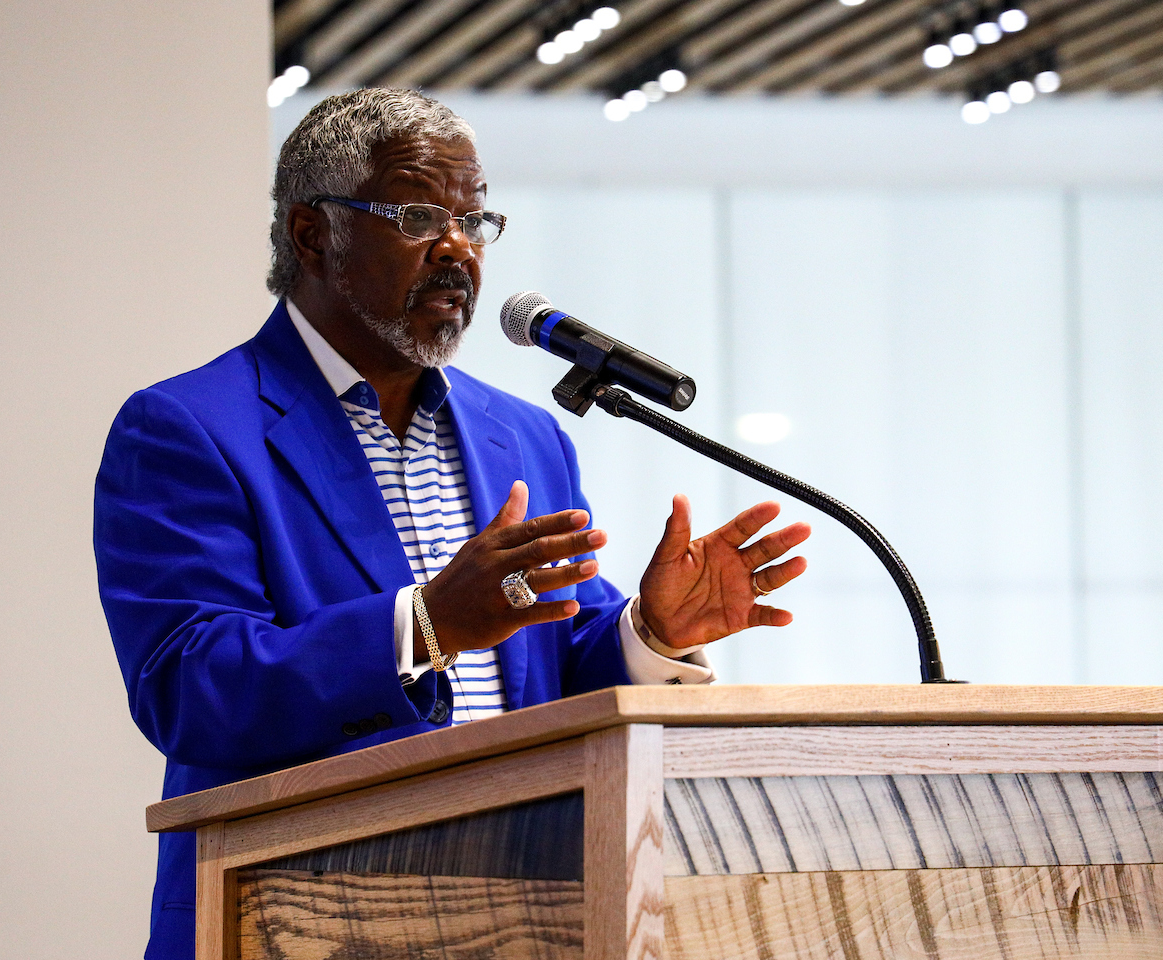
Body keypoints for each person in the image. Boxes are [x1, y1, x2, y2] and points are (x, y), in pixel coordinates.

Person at [94, 87, 810, 960]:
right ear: (312, 234)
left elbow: (553, 663)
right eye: (417, 214)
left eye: (475, 221)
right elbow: (191, 689)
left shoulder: (525, 435)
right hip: (292, 921)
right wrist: (426, 625)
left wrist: (652, 633)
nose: (457, 249)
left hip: (524, 915)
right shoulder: (189, 428)